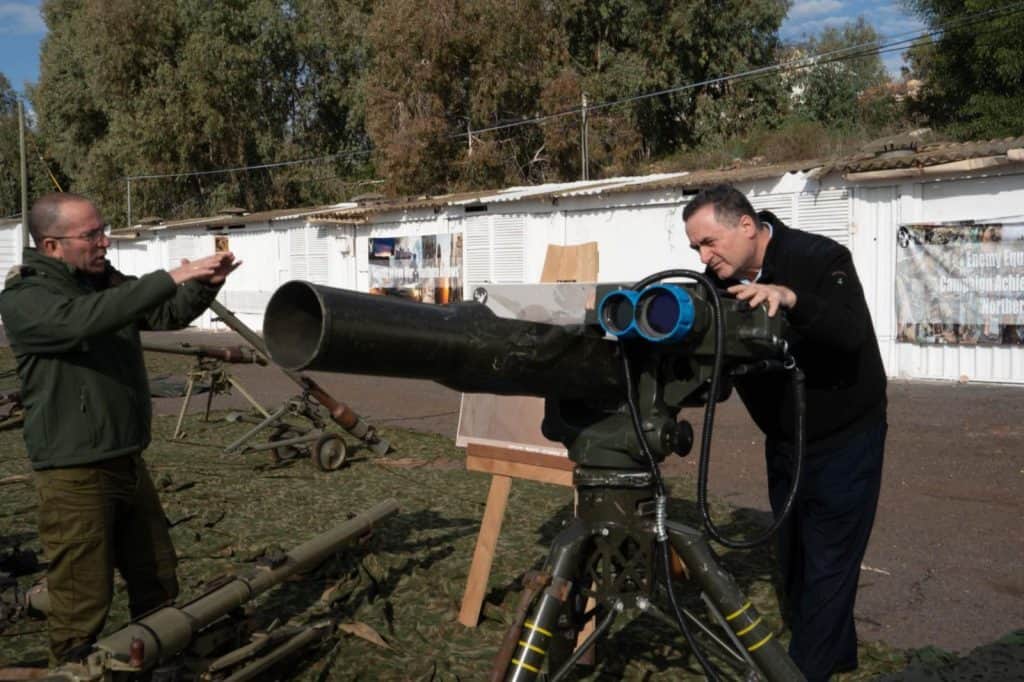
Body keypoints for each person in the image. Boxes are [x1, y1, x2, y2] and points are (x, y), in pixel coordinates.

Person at [0, 193, 240, 664]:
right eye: (91, 235)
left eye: (102, 229)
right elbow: (83, 322)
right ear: (51, 246)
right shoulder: (25, 298)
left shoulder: (101, 283)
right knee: (81, 599)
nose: (104, 241)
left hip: (127, 459)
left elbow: (163, 313)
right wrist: (171, 276)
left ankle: (157, 660)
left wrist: (203, 285)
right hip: (74, 473)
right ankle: (72, 669)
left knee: (156, 577)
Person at [682, 184, 887, 681]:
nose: (704, 257)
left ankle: (798, 673)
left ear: (747, 226)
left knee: (829, 562)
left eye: (710, 243)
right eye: (695, 249)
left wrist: (791, 299)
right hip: (785, 442)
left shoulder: (819, 258)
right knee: (795, 560)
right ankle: (837, 656)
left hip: (846, 437)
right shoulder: (716, 286)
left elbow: (848, 332)